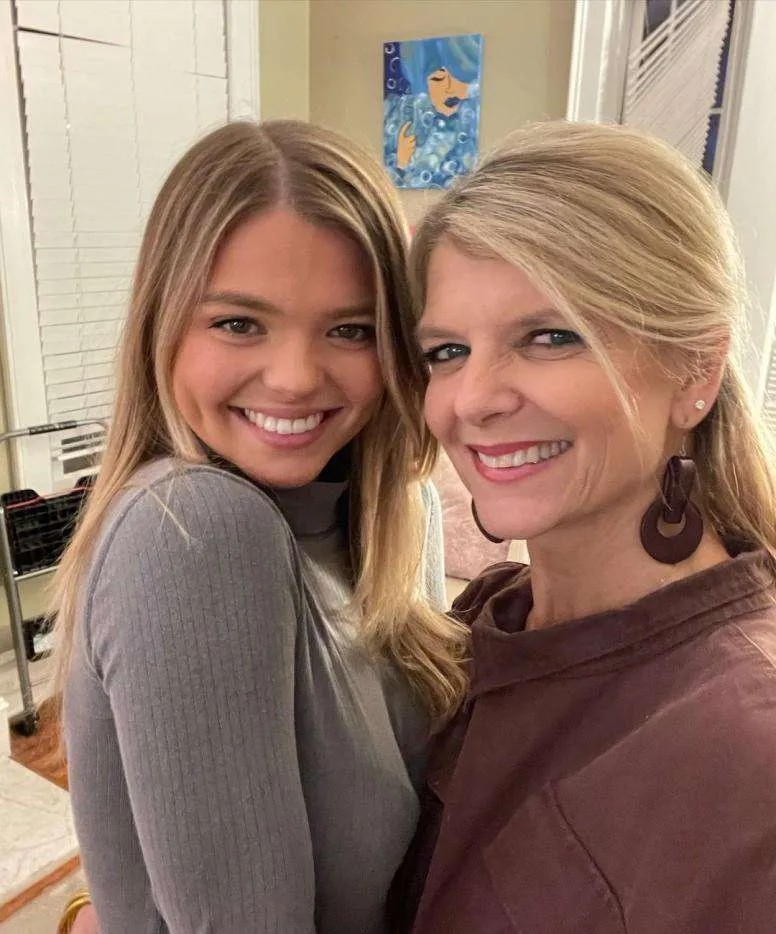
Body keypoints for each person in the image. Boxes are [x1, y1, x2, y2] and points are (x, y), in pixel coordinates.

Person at [53, 119, 467, 933]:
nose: (295, 379)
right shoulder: (194, 533)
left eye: (350, 330)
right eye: (239, 323)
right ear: (162, 325)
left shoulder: (400, 511)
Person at [390, 121, 776, 933]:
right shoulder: (488, 619)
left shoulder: (746, 743)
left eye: (551, 336)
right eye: (448, 351)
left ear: (697, 370)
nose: (474, 398)